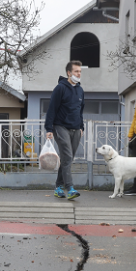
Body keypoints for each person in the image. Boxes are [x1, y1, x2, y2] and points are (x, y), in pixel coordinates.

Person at [45, 61, 85, 200]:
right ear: (69, 73)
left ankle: (58, 187)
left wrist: (81, 127)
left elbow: (80, 111)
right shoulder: (60, 88)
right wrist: (49, 128)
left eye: (80, 71)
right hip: (60, 126)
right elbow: (52, 109)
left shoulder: (80, 90)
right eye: (76, 71)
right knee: (67, 156)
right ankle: (70, 188)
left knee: (67, 158)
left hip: (75, 129)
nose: (79, 74)